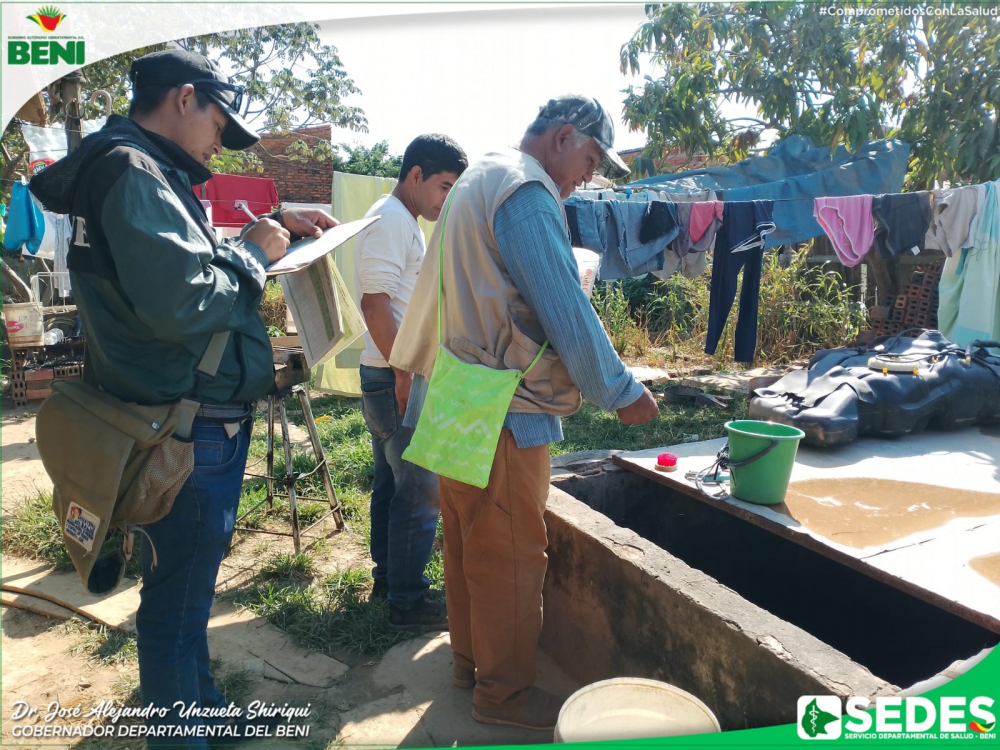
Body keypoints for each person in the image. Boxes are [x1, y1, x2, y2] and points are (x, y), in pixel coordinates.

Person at [30, 48, 338, 748]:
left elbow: (170, 264)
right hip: (183, 430)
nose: (214, 145)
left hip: (174, 416)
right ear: (185, 98)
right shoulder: (132, 172)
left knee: (185, 594)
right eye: (217, 125)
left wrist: (272, 224)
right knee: (173, 608)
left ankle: (202, 712)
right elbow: (187, 301)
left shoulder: (134, 168)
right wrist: (254, 254)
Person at [389, 95, 660, 730]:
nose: (588, 177)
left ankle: (468, 665)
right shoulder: (526, 191)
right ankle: (504, 697)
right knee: (511, 556)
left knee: (465, 544)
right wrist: (621, 391)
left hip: (458, 394)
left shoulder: (477, 178)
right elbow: (567, 310)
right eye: (591, 159)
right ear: (564, 137)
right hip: (506, 406)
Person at [355, 134, 468, 628]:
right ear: (415, 175)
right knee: (421, 488)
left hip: (390, 371)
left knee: (393, 482)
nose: (446, 200)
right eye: (443, 187)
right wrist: (404, 372)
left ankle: (389, 581)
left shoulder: (402, 220)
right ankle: (407, 598)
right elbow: (374, 303)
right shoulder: (392, 219)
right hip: (392, 374)